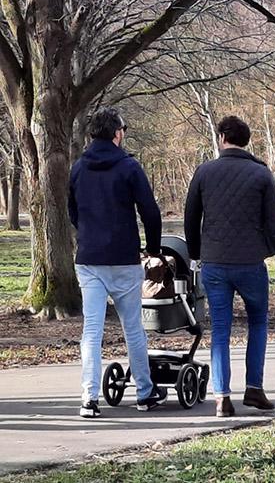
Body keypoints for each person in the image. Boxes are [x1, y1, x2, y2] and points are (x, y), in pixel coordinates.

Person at [185, 115, 275, 418]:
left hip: (215, 263)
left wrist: (196, 254)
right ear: (246, 141)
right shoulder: (261, 174)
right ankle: (254, 390)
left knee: (221, 329)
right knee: (257, 323)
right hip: (250, 263)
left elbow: (191, 218)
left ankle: (222, 398)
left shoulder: (204, 172)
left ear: (222, 138)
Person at [68, 107, 166, 418]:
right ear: (117, 134)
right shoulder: (129, 167)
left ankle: (89, 398)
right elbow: (150, 211)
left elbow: (73, 212)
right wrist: (152, 248)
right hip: (124, 258)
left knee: (91, 330)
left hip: (90, 259)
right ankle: (145, 394)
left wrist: (87, 234)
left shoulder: (78, 168)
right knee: (133, 328)